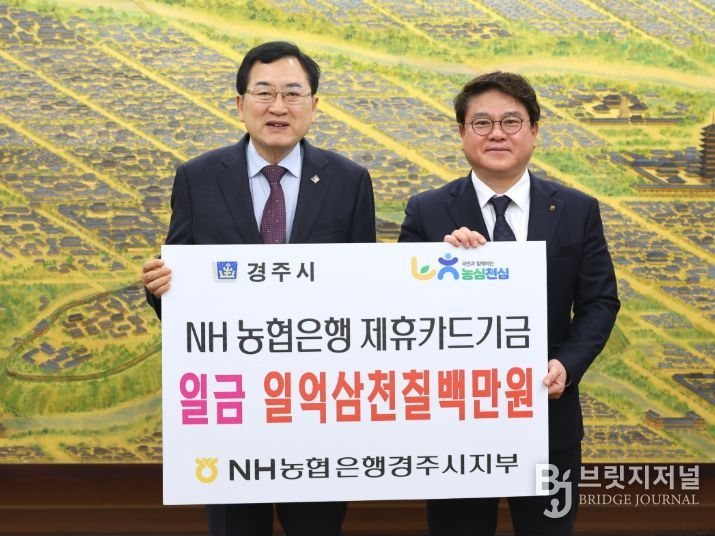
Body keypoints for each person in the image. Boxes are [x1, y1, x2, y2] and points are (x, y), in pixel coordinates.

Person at [142, 41, 376, 536]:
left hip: (317, 406)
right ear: (240, 103)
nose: (278, 107)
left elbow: (365, 288)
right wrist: (160, 288)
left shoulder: (350, 181)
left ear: (314, 105)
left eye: (293, 93)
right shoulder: (198, 177)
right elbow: (179, 279)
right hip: (232, 405)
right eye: (264, 92)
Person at [399, 71, 619, 535]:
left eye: (511, 122)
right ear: (462, 133)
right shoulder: (428, 211)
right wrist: (439, 265)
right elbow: (401, 308)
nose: (496, 133)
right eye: (481, 123)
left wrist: (566, 366)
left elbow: (599, 301)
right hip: (456, 425)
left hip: (548, 418)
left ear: (534, 131)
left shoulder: (577, 209)